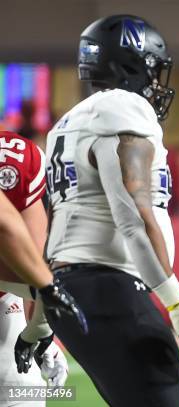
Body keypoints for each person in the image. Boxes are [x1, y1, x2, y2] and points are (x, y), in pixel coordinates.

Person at [43, 15, 179, 406]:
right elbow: (133, 218)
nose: (155, 82)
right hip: (107, 287)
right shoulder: (126, 109)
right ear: (130, 65)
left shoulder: (66, 124)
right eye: (152, 69)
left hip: (71, 287)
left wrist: (40, 321)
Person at [0, 130, 74, 404]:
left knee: (23, 394)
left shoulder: (15, 157)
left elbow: (32, 262)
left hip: (5, 304)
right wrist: (39, 327)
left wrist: (38, 328)